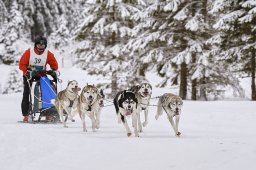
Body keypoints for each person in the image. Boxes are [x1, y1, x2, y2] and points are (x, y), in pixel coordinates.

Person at [19, 36, 58, 123]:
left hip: (41, 74)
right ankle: (26, 114)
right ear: (35, 45)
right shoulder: (29, 52)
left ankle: (49, 112)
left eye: (42, 45)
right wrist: (26, 71)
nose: (41, 47)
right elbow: (22, 64)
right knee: (26, 93)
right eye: (39, 45)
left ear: (45, 46)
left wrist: (53, 71)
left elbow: (54, 65)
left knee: (48, 89)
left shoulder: (48, 54)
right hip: (29, 74)